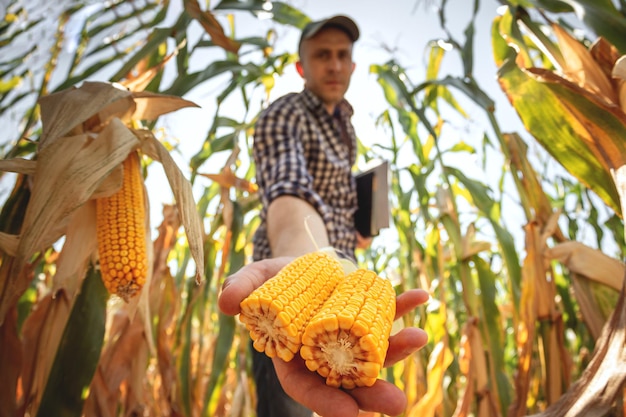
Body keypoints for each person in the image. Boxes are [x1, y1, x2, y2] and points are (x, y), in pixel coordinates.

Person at [218, 15, 429, 417]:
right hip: (289, 299)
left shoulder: (344, 129)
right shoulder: (287, 113)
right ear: (302, 67)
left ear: (352, 65)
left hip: (338, 295)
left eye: (342, 55)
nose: (334, 65)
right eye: (321, 55)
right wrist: (305, 269)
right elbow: (288, 193)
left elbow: (334, 208)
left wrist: (357, 233)